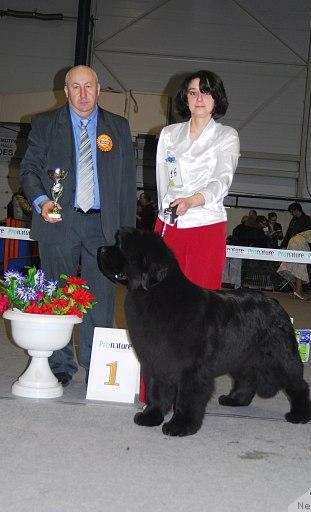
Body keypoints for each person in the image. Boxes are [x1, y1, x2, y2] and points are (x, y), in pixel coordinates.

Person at [20, 65, 137, 386]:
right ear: (66, 91)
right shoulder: (45, 124)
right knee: (58, 295)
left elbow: (128, 185)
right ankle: (59, 365)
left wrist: (127, 236)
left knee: (100, 299)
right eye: (75, 87)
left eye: (88, 86)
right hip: (59, 222)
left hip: (104, 226)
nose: (83, 94)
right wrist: (42, 200)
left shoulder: (119, 126)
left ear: (99, 89)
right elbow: (28, 170)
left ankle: (97, 365)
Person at [155, 70, 240, 289]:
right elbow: (163, 181)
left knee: (202, 301)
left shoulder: (227, 135)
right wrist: (166, 214)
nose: (199, 99)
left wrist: (191, 201)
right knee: (161, 295)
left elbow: (222, 180)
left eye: (206, 92)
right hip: (169, 223)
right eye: (193, 93)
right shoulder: (168, 134)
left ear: (216, 98)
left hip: (206, 224)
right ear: (185, 98)